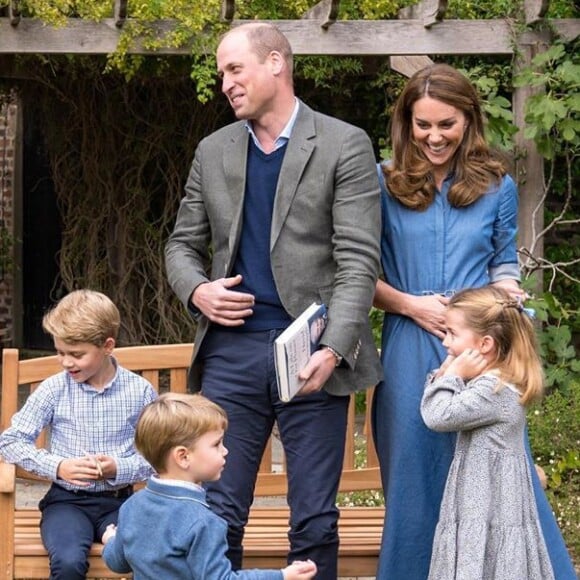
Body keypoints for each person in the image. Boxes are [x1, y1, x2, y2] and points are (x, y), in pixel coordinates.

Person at [165, 22, 382, 579]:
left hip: (312, 354)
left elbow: (358, 261)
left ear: (276, 64)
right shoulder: (213, 151)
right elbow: (181, 245)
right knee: (216, 513)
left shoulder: (344, 143)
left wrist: (333, 349)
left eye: (235, 69)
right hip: (231, 355)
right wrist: (197, 289)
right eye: (221, 74)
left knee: (313, 520)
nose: (226, 84)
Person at [372, 62, 576, 579]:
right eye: (423, 125)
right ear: (406, 124)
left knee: (500, 476)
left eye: (447, 124)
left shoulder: (496, 186)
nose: (435, 137)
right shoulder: (381, 183)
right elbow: (358, 274)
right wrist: (411, 304)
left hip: (484, 353)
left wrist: (507, 289)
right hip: (410, 347)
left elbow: (502, 261)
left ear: (469, 121)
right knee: (415, 478)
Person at [0, 289, 157, 580]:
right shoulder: (53, 389)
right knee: (69, 561)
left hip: (121, 503)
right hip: (66, 503)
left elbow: (158, 456)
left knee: (143, 553)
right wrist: (58, 466)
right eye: (60, 352)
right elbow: (10, 441)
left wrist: (117, 468)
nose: (66, 362)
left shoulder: (140, 392)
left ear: (107, 346)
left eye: (77, 354)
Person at [420, 285, 560, 579]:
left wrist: (450, 375)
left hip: (487, 505)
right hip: (483, 503)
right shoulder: (494, 384)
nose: (445, 342)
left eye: (452, 333)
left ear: (484, 344)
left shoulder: (493, 390)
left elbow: (437, 415)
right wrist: (451, 375)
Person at [102, 393, 317, 579]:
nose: (225, 451)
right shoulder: (203, 522)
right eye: (216, 444)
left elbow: (117, 562)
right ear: (183, 457)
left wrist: (111, 538)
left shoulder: (133, 506)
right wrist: (282, 576)